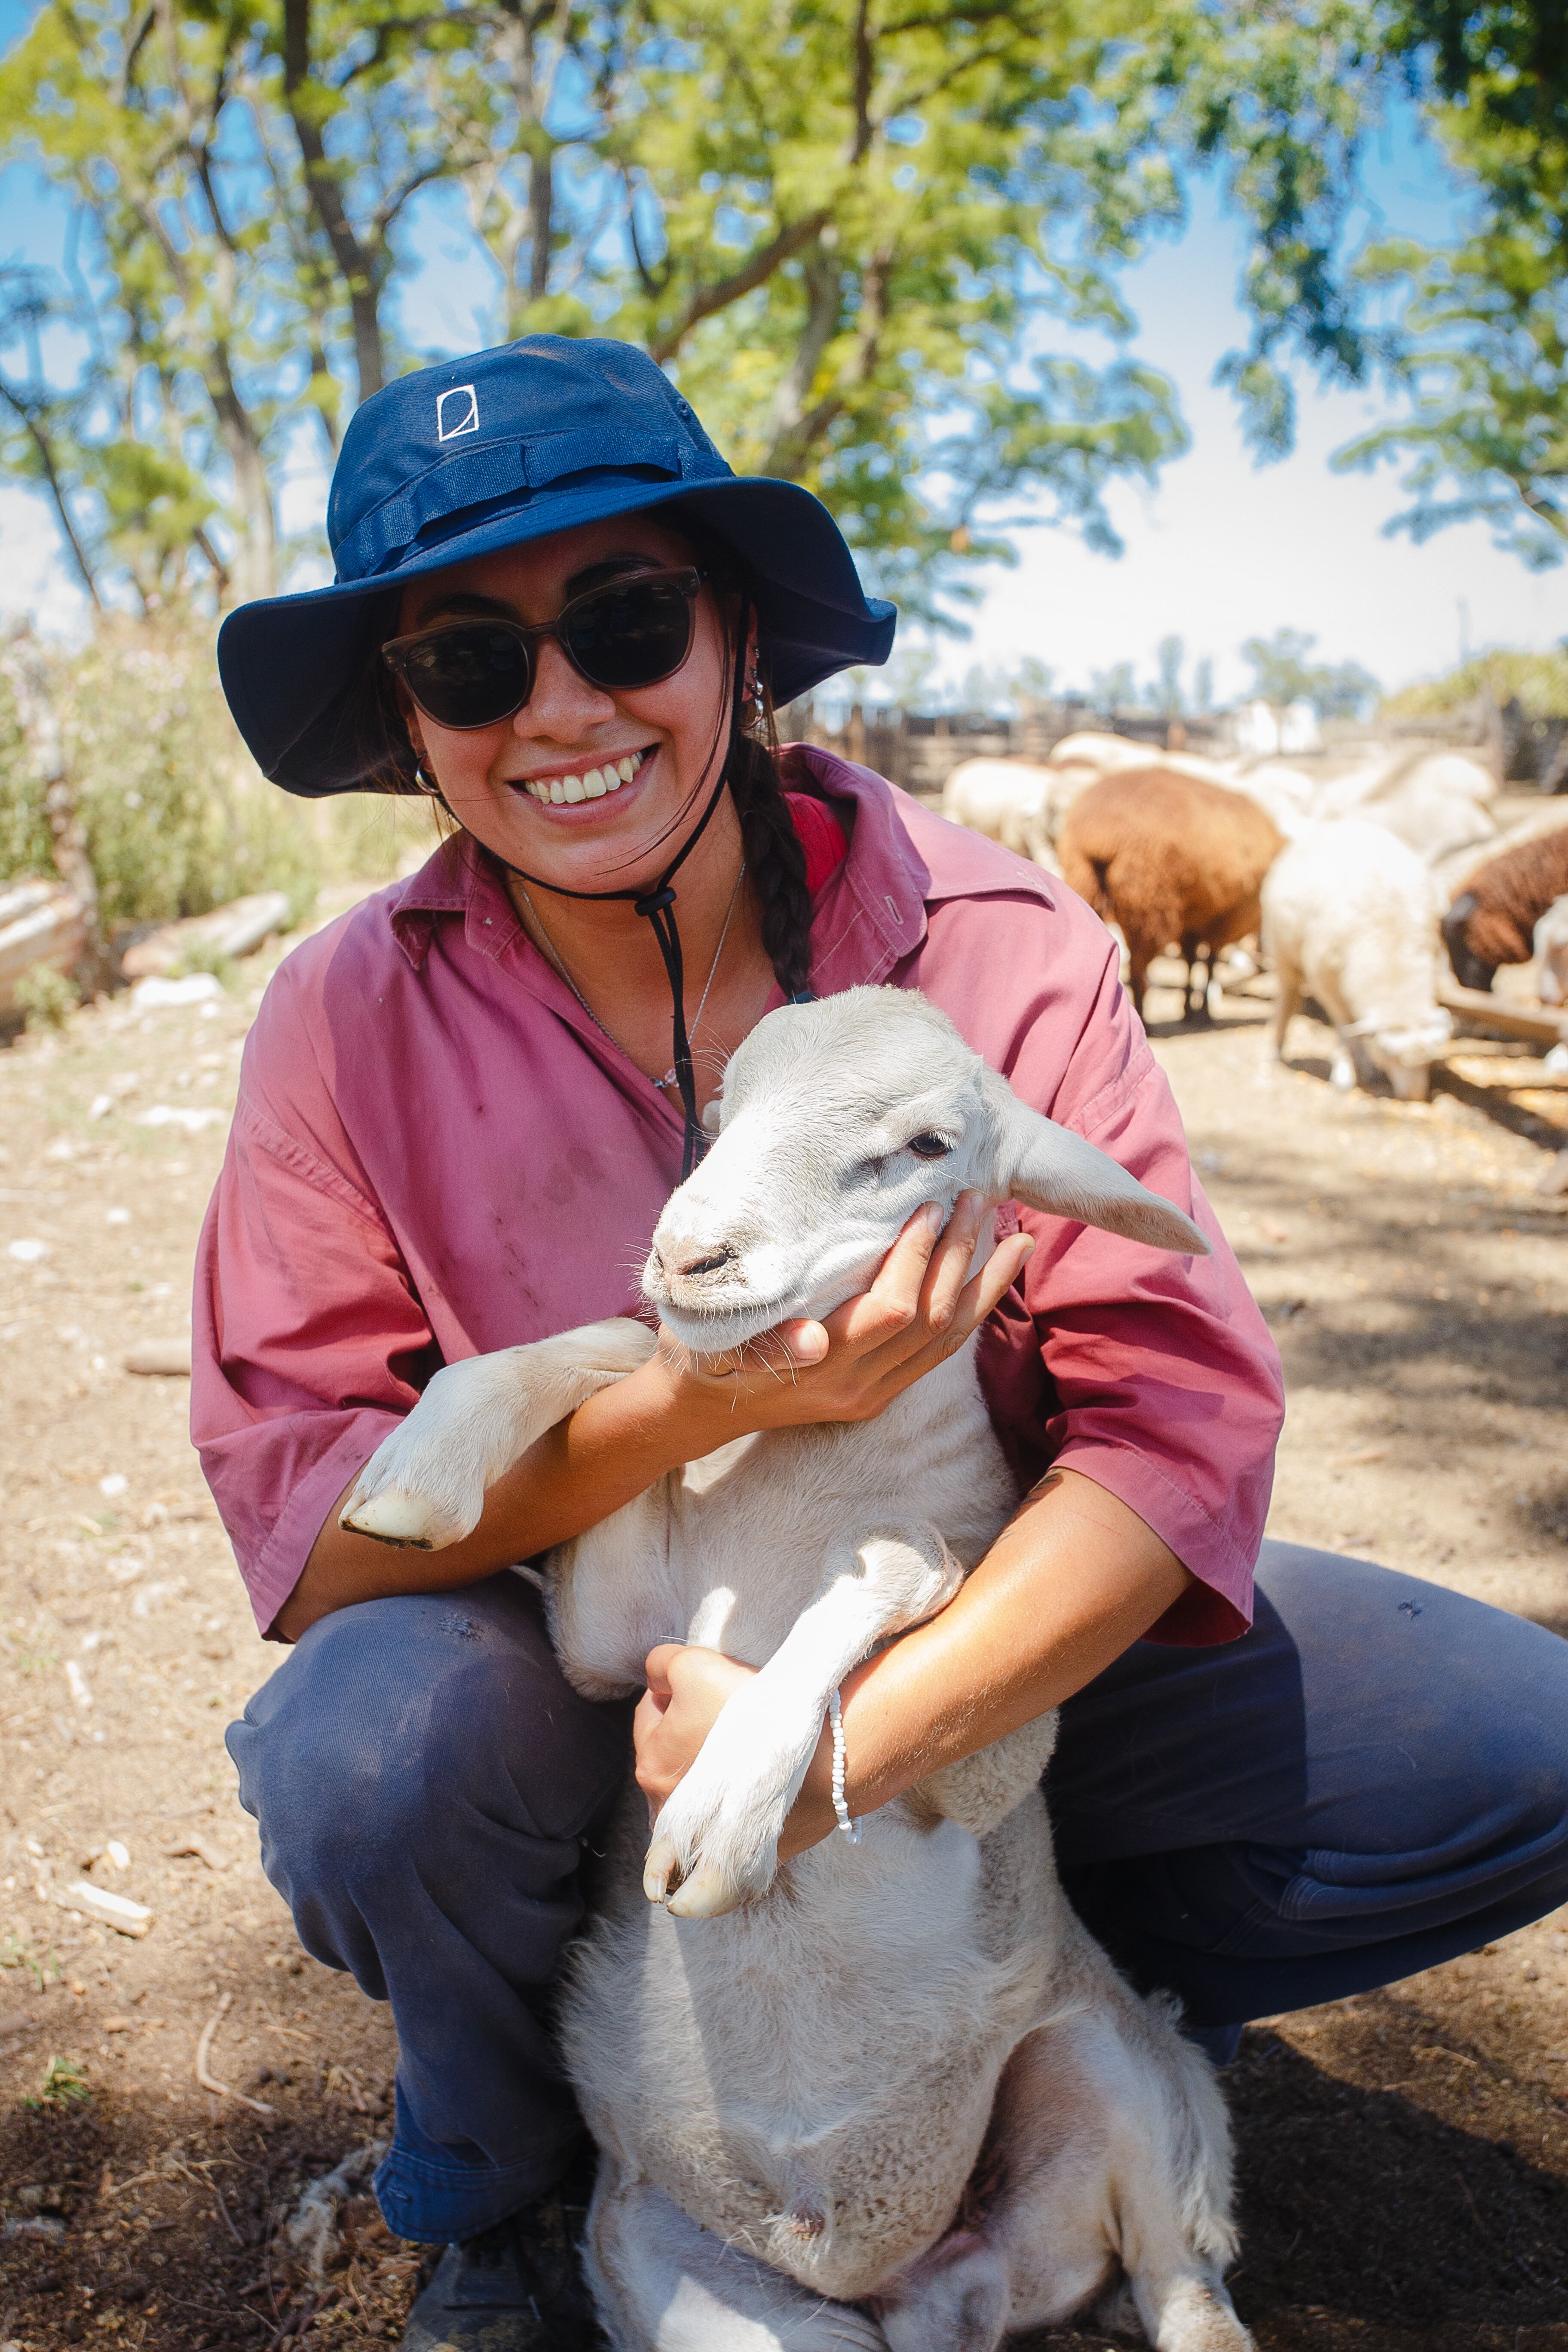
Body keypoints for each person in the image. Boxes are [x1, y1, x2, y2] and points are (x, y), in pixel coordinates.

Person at [197, 336, 1568, 2352]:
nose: (563, 707)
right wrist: (709, 1399)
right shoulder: (343, 1017)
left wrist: (853, 1749)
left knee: (1509, 1747)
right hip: (575, 1681)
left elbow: (1172, 1428)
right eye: (471, 661)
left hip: (952, 1636)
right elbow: (312, 1528)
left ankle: (1018, 2017)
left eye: (628, 619)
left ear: (740, 638)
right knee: (369, 1753)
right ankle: (503, 2182)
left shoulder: (1000, 944)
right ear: (410, 721)